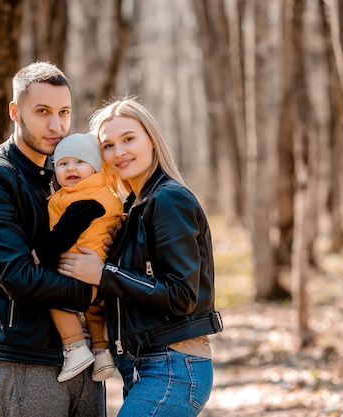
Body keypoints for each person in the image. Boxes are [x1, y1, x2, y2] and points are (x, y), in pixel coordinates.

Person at [57, 97, 223, 417]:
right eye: (108, 145)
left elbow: (182, 295)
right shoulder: (132, 209)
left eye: (129, 139)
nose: (119, 152)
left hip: (173, 365)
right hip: (143, 366)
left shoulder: (169, 200)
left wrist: (104, 274)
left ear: (151, 139)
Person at [0, 62, 105, 417]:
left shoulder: (66, 173)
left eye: (64, 112)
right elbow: (19, 278)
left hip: (85, 348)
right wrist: (98, 290)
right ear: (15, 111)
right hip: (27, 356)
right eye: (42, 112)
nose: (56, 125)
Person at [32, 132, 123, 383]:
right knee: (95, 313)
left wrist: (42, 254)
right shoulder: (102, 192)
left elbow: (66, 232)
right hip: (99, 270)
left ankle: (75, 348)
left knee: (55, 299)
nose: (70, 168)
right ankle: (102, 354)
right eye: (62, 163)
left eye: (79, 162)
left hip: (80, 268)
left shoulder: (86, 198)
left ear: (96, 167)